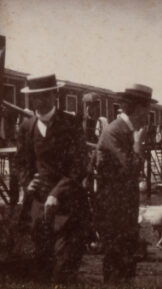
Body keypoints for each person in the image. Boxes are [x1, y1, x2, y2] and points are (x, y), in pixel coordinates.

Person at [13, 74, 92, 285]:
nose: (38, 101)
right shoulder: (27, 127)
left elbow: (79, 166)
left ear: (54, 95)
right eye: (34, 97)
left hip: (69, 206)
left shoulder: (71, 124)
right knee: (42, 265)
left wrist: (57, 193)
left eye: (43, 96)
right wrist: (26, 182)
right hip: (39, 208)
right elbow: (20, 162)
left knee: (65, 265)